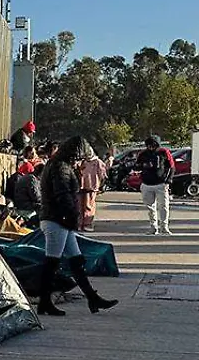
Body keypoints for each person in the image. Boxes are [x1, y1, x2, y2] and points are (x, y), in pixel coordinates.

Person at [36, 137, 118, 317]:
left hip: (57, 219)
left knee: (75, 260)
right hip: (57, 220)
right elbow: (63, 195)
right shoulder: (61, 168)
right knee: (53, 262)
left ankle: (91, 297)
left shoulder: (57, 165)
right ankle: (45, 302)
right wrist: (72, 217)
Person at [135, 135, 176, 235]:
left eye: (153, 145)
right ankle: (153, 227)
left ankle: (164, 227)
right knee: (150, 207)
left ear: (157, 144)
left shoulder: (164, 152)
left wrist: (168, 181)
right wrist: (143, 165)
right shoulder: (143, 154)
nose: (151, 148)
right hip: (146, 184)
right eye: (149, 145)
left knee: (164, 206)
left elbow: (171, 167)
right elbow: (136, 166)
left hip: (161, 184)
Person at [78, 152, 108, 232]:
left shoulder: (97, 162)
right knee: (79, 205)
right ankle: (79, 223)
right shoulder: (82, 161)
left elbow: (103, 173)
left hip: (92, 186)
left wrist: (100, 185)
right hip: (80, 185)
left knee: (89, 205)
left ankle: (87, 223)